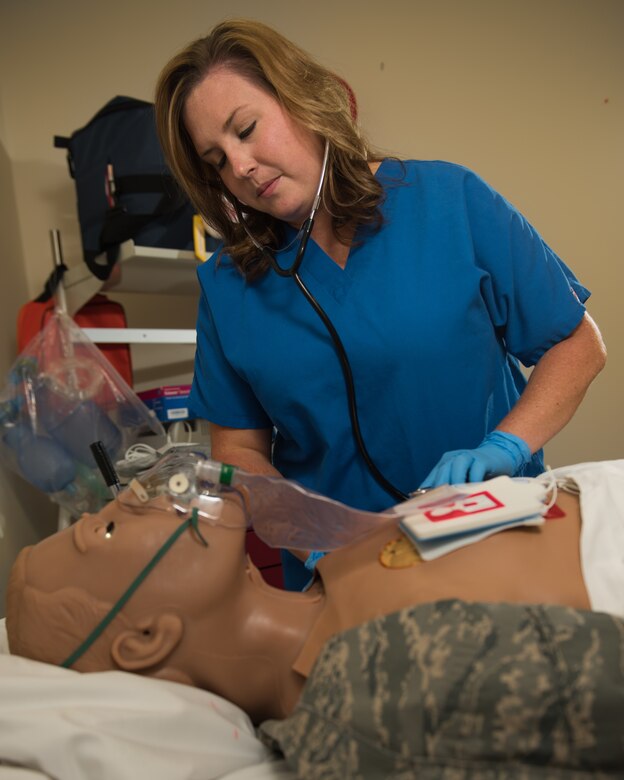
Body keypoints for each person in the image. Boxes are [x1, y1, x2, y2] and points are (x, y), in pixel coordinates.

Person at [155, 16, 607, 592]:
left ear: (306, 102)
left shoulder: (449, 201)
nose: (239, 167)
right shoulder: (227, 286)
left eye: (246, 130)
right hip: (342, 573)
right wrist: (311, 535)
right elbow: (237, 450)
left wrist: (505, 446)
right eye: (215, 160)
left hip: (494, 534)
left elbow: (577, 342)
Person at [6, 454, 624, 728]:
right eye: (108, 527)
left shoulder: (333, 570)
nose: (138, 493)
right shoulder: (356, 702)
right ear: (146, 638)